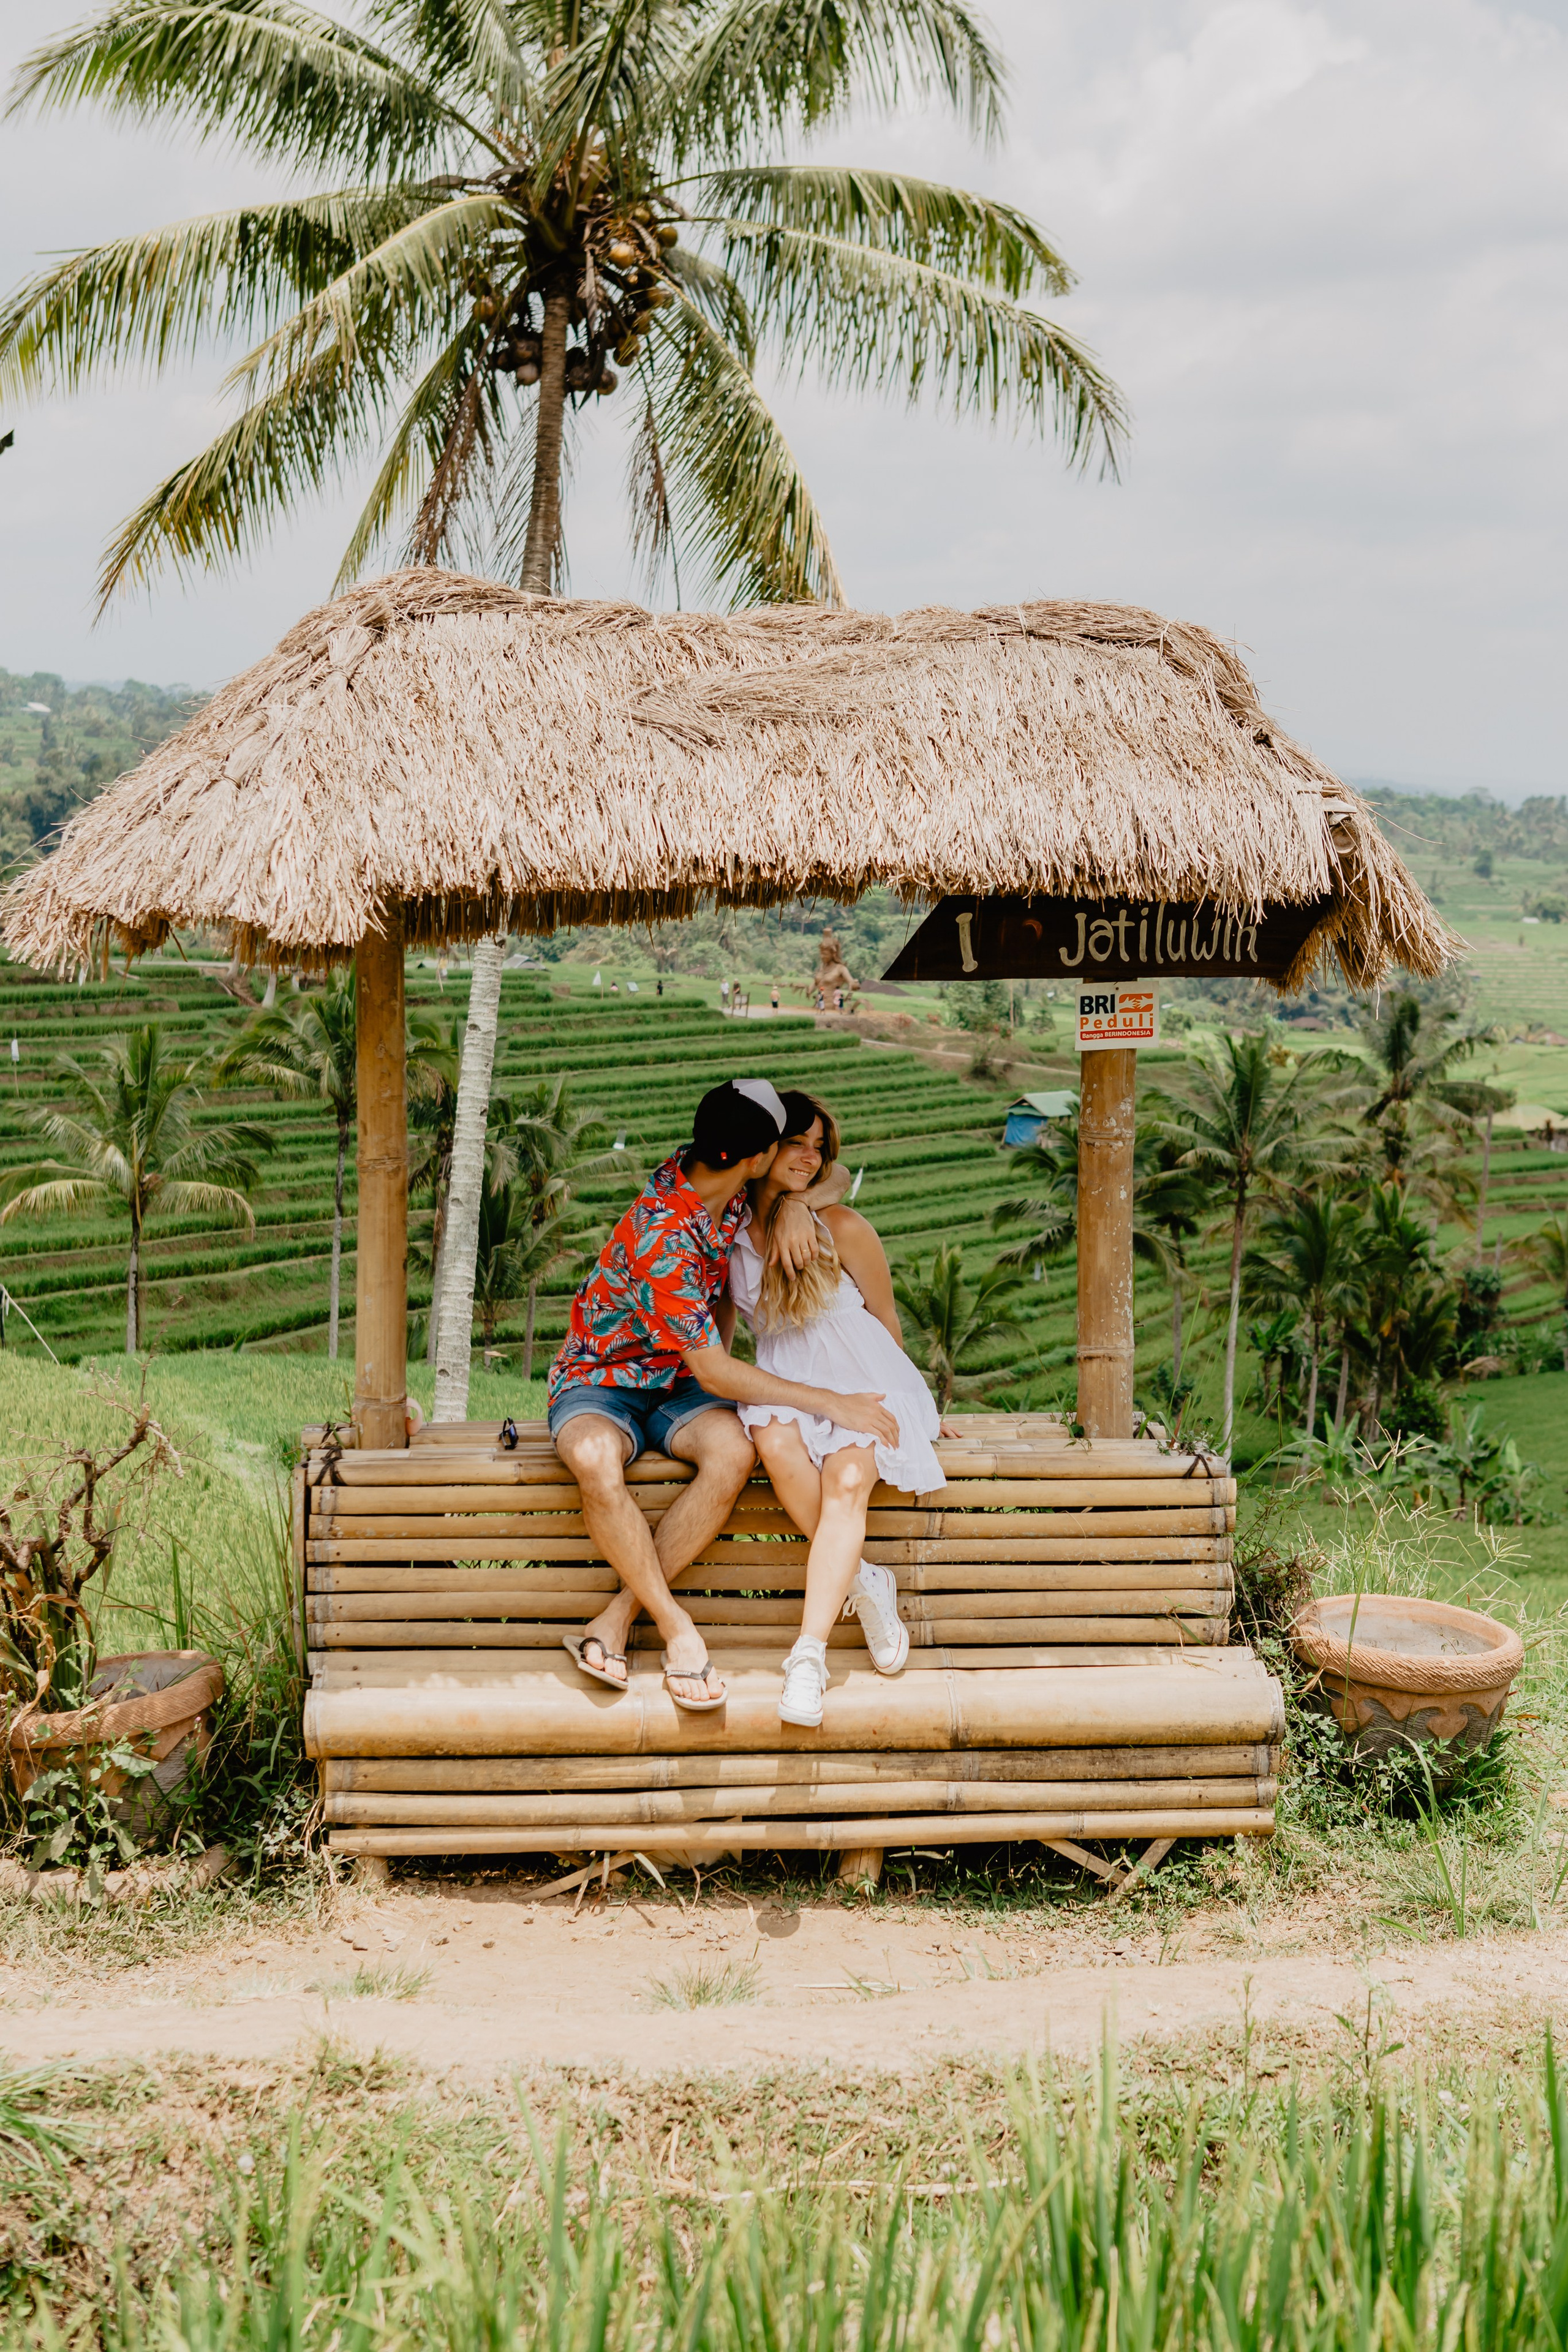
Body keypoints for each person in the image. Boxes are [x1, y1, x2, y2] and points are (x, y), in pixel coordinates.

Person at [546, 1079, 884, 1712]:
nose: (799, 1154)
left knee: (734, 1454)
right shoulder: (664, 1238)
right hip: (603, 1380)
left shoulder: (715, 1181)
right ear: (754, 1159)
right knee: (595, 1459)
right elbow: (719, 1375)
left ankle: (616, 1618)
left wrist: (793, 1206)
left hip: (672, 1384)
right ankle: (675, 1629)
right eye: (783, 1145)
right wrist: (829, 1401)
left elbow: (830, 1179)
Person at [726, 1091, 955, 1728]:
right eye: (796, 1144)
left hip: (866, 1378)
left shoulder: (845, 1227)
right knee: (772, 1441)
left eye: (818, 1149)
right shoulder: (729, 1242)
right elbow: (720, 1342)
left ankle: (808, 1658)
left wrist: (920, 1407)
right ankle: (866, 1582)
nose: (808, 1158)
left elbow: (884, 1321)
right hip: (788, 1382)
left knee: (848, 1479)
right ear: (764, 1149)